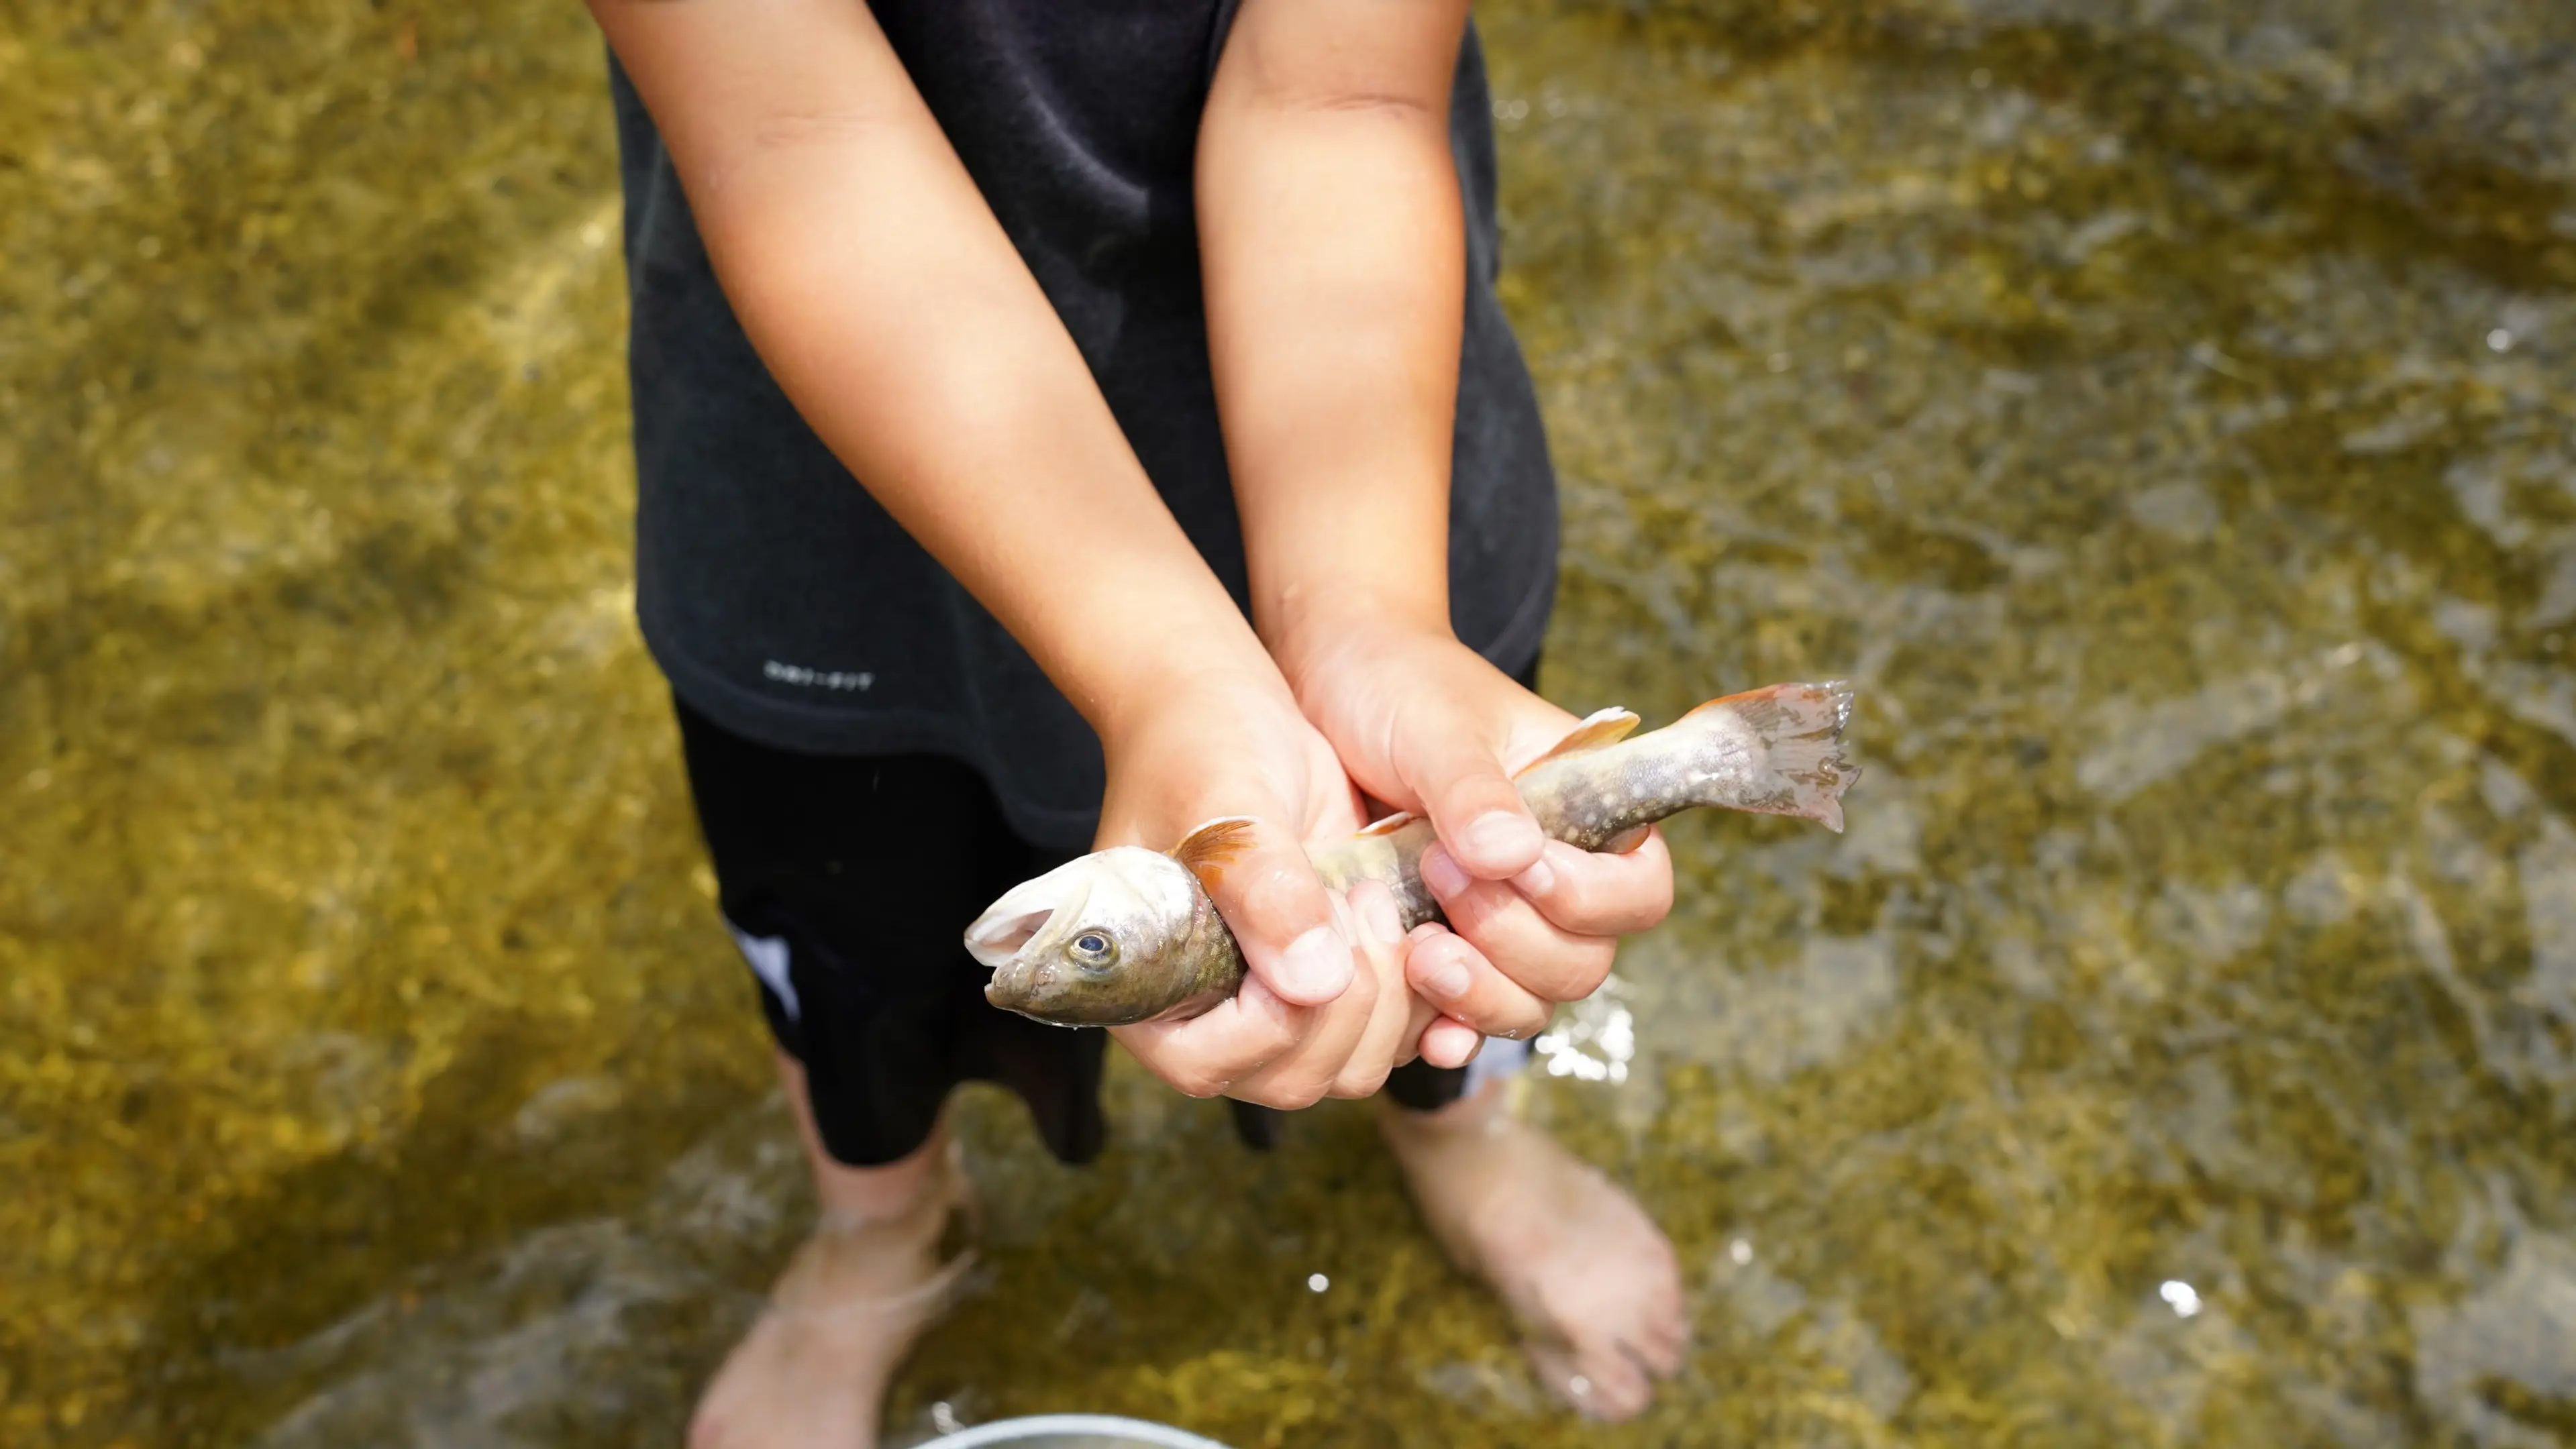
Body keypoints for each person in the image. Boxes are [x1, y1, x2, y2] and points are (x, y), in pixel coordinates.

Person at [588, 0, 1689, 1439]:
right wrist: (1176, 675)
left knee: (1450, 900)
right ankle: (878, 1227)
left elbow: (1340, 98)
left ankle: (1462, 1140)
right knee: (847, 946)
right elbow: (791, 135)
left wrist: (1363, 617)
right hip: (831, 543)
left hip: (1366, 463)